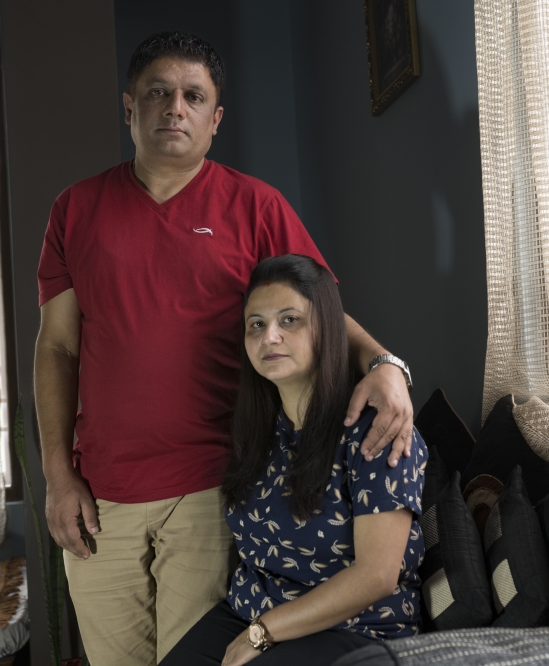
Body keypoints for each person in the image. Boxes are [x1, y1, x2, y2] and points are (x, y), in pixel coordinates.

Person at [35, 32, 417, 666]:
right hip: (103, 495)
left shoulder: (256, 205)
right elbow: (57, 350)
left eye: (192, 96)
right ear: (129, 107)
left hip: (215, 488)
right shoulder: (74, 210)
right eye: (158, 93)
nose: (174, 107)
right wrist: (56, 475)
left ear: (215, 120)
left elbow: (315, 313)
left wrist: (385, 364)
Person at [160, 255, 427, 666]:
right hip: (249, 612)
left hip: (353, 628)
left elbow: (377, 575)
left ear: (327, 329)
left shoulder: (376, 427)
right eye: (256, 324)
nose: (270, 337)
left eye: (289, 320)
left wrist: (263, 632)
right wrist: (257, 625)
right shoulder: (259, 428)